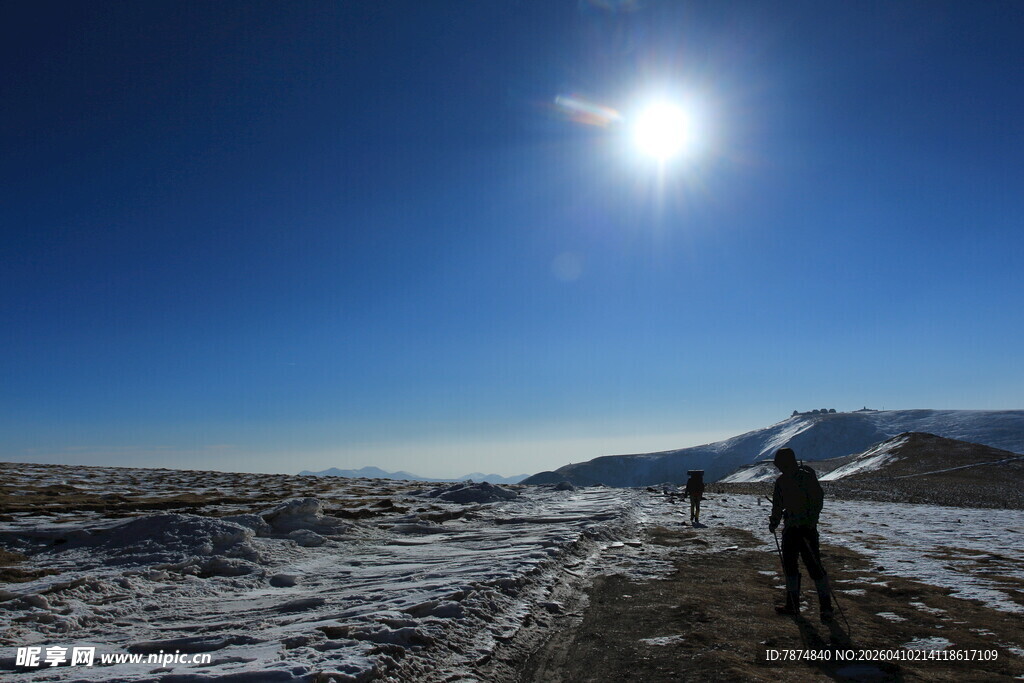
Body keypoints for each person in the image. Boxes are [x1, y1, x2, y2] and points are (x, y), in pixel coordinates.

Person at [768, 447, 833, 622]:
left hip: (796, 529)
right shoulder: (807, 477)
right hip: (806, 529)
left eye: (780, 464)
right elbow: (817, 500)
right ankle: (825, 607)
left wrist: (774, 522)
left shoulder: (782, 481)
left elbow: (777, 506)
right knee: (812, 567)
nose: (779, 468)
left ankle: (794, 605)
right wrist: (811, 520)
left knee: (793, 567)